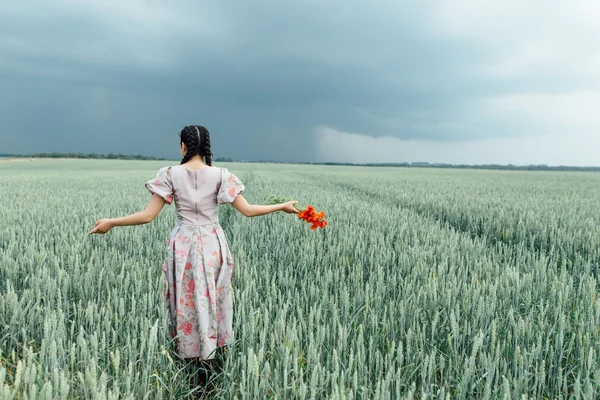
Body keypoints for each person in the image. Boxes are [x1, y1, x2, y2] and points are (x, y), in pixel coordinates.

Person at [89, 125, 300, 394]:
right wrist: (281, 206)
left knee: (185, 301)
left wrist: (111, 222)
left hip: (183, 246)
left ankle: (188, 365)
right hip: (213, 245)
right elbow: (247, 211)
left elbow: (146, 216)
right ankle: (211, 360)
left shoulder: (169, 174)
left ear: (183, 147)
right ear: (207, 147)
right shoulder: (221, 175)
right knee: (212, 299)